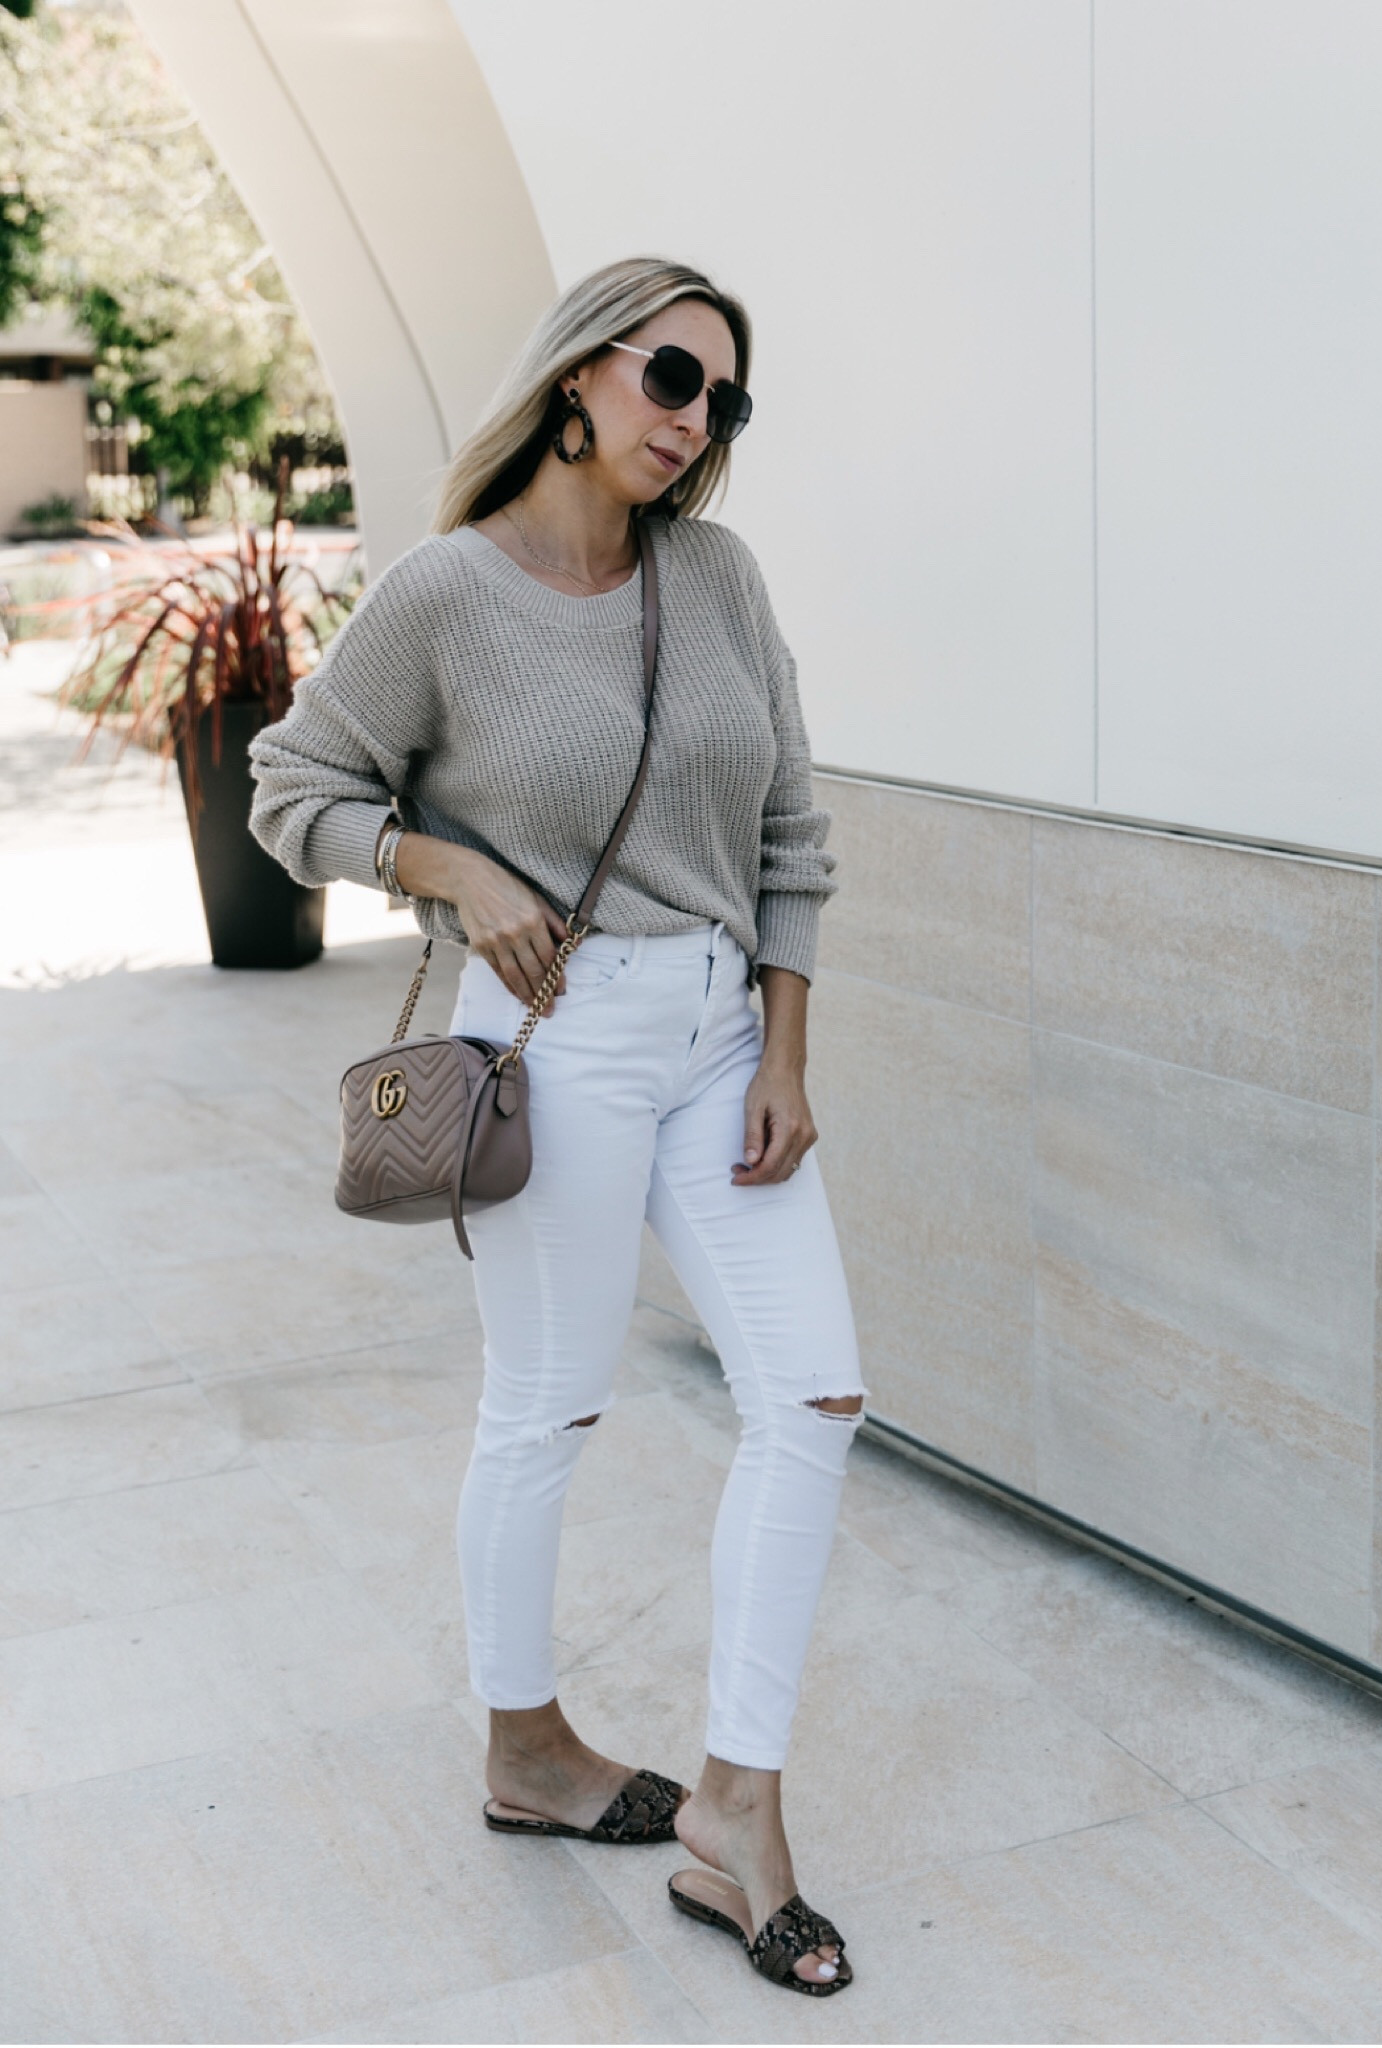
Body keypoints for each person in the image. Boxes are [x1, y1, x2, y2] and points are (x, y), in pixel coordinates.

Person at [248, 256, 863, 1996]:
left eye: (723, 403)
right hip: (553, 1039)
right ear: (583, 374)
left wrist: (785, 1051)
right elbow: (294, 787)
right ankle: (524, 1747)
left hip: (721, 1033)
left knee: (812, 1392)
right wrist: (445, 865)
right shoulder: (446, 593)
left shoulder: (717, 580)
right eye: (675, 379)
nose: (694, 424)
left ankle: (737, 1809)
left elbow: (792, 834)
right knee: (548, 1403)